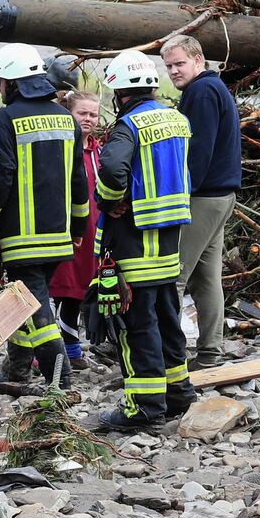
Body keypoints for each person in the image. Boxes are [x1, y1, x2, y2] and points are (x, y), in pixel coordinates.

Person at [0, 42, 88, 393]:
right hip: (59, 235)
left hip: (23, 239)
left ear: (14, 82)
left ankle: (59, 379)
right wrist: (79, 226)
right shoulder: (66, 117)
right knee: (26, 301)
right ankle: (17, 369)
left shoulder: (6, 120)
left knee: (37, 311)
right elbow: (78, 179)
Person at [91, 50, 195, 432]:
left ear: (119, 92)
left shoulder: (128, 126)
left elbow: (113, 169)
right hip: (169, 238)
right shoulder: (176, 119)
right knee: (169, 317)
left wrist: (110, 200)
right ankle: (178, 392)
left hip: (135, 241)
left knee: (136, 325)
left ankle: (144, 408)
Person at [162, 34, 240, 369]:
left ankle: (168, 357)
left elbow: (198, 150)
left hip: (203, 199)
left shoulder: (202, 91)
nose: (174, 72)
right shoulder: (212, 88)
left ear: (198, 59)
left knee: (173, 277)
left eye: (179, 63)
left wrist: (180, 194)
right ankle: (210, 352)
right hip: (221, 195)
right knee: (206, 278)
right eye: (168, 67)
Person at [47, 91, 105, 365]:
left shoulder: (99, 150)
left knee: (84, 288)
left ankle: (78, 347)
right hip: (66, 230)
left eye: (93, 114)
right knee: (63, 289)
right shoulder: (59, 148)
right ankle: (58, 351)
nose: (88, 119)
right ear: (69, 113)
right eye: (82, 113)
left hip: (93, 231)